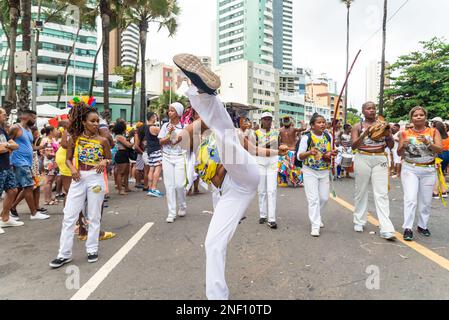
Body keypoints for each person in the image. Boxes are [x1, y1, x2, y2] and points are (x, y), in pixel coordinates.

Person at [173, 53, 286, 300]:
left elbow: (253, 150)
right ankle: (217, 298)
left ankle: (205, 91)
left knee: (225, 136)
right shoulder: (193, 138)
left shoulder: (228, 130)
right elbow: (178, 141)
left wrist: (279, 151)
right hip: (230, 192)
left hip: (244, 173)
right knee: (213, 244)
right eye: (196, 114)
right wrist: (198, 122)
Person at [49, 101, 111, 268]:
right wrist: (72, 169)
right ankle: (64, 254)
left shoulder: (103, 140)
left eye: (97, 121)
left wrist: (104, 162)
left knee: (94, 215)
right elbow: (68, 158)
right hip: (78, 178)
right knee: (69, 215)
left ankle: (92, 249)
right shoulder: (75, 139)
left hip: (95, 179)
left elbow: (109, 158)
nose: (96, 124)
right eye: (92, 121)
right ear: (84, 122)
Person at [351, 102, 396, 240]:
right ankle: (359, 220)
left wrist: (388, 134)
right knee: (361, 190)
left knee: (381, 193)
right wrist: (364, 134)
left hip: (380, 158)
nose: (372, 110)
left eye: (373, 108)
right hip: (362, 157)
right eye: (368, 108)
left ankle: (386, 228)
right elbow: (354, 146)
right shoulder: (357, 126)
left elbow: (391, 145)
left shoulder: (383, 124)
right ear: (363, 111)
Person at [397, 106, 443, 241]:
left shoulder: (433, 131)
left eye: (421, 115)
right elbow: (399, 153)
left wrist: (428, 143)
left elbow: (439, 149)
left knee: (426, 201)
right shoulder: (404, 133)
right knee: (410, 199)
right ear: (411, 118)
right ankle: (408, 228)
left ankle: (422, 225)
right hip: (410, 168)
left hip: (428, 169)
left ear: (425, 117)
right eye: (415, 115)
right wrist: (403, 146)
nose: (418, 117)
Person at [298, 113, 337, 237]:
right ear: (312, 125)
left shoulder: (328, 136)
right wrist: (310, 152)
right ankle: (315, 225)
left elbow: (331, 151)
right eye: (319, 122)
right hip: (310, 171)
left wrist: (331, 153)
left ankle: (317, 216)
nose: (322, 124)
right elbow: (299, 156)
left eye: (323, 122)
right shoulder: (306, 137)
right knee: (313, 199)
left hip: (324, 171)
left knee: (324, 198)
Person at [9, 110, 49, 220]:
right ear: (26, 117)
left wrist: (41, 147)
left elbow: (31, 147)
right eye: (34, 118)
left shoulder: (28, 130)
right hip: (19, 162)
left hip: (28, 162)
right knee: (28, 186)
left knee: (17, 188)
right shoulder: (15, 128)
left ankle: (10, 211)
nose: (35, 120)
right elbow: (7, 142)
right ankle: (33, 213)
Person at [158, 102, 187, 223]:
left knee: (180, 185)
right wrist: (170, 133)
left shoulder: (185, 127)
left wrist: (174, 136)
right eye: (169, 110)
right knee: (169, 185)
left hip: (180, 156)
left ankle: (182, 205)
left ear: (178, 113)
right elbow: (161, 142)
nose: (169, 112)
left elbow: (180, 141)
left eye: (172, 110)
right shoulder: (165, 126)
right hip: (167, 157)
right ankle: (171, 212)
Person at [254, 111, 279, 229]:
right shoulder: (256, 133)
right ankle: (263, 215)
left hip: (273, 162)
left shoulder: (276, 132)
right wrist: (267, 145)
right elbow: (254, 148)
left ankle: (272, 219)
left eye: (269, 119)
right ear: (261, 121)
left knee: (272, 190)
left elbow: (280, 146)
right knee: (262, 191)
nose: (267, 121)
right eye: (265, 119)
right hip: (260, 162)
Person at [0, 107, 23, 234]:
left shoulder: (2, 130)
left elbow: (15, 145)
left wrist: (7, 146)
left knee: (13, 190)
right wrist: (8, 147)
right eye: (4, 114)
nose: (6, 116)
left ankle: (5, 217)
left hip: (6, 166)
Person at [138, 112, 163, 197]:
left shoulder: (146, 127)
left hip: (149, 150)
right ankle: (154, 188)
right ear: (152, 117)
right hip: (156, 149)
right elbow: (164, 135)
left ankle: (150, 188)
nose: (156, 118)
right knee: (158, 167)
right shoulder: (154, 128)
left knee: (151, 169)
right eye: (155, 116)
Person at [278, 116, 306, 187]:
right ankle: (285, 181)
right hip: (285, 151)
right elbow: (303, 128)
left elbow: (303, 128)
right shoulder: (281, 130)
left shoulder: (290, 129)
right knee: (283, 168)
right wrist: (302, 123)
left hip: (289, 151)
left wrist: (302, 123)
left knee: (292, 167)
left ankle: (293, 181)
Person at [113, 121, 133, 195]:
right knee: (120, 172)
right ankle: (120, 189)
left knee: (126, 172)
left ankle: (126, 187)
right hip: (121, 154)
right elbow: (128, 145)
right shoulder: (119, 136)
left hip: (124, 154)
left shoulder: (120, 136)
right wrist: (135, 142)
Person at [41, 126, 59, 205]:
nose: (57, 131)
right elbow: (48, 154)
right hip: (49, 163)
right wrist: (57, 155)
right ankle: (47, 200)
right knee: (48, 181)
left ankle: (50, 198)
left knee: (51, 181)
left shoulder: (52, 139)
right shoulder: (46, 140)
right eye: (55, 130)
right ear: (51, 131)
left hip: (53, 162)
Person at [432, 121, 449, 199]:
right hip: (447, 155)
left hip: (439, 155)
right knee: (442, 173)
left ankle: (435, 192)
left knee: (437, 173)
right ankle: (444, 191)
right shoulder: (447, 136)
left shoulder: (435, 136)